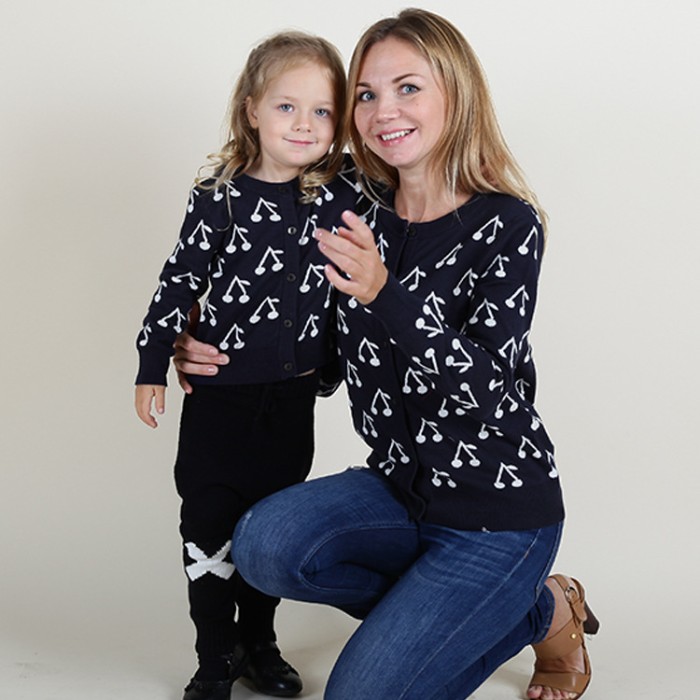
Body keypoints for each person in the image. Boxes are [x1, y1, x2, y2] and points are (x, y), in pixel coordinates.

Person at [176, 9, 598, 700]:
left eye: (408, 88)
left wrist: (384, 293)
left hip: (496, 512)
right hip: (399, 491)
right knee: (262, 546)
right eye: (366, 95)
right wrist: (196, 340)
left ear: (455, 96)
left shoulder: (506, 224)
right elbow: (270, 283)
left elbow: (493, 391)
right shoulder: (346, 201)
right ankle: (522, 606)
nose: (382, 111)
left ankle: (538, 604)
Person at [134, 31, 362, 700]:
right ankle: (215, 655)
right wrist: (153, 361)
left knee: (265, 531)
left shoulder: (341, 187)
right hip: (221, 399)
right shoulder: (220, 195)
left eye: (322, 111)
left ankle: (261, 643)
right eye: (287, 107)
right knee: (208, 527)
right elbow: (177, 282)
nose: (304, 125)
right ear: (252, 108)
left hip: (290, 403)